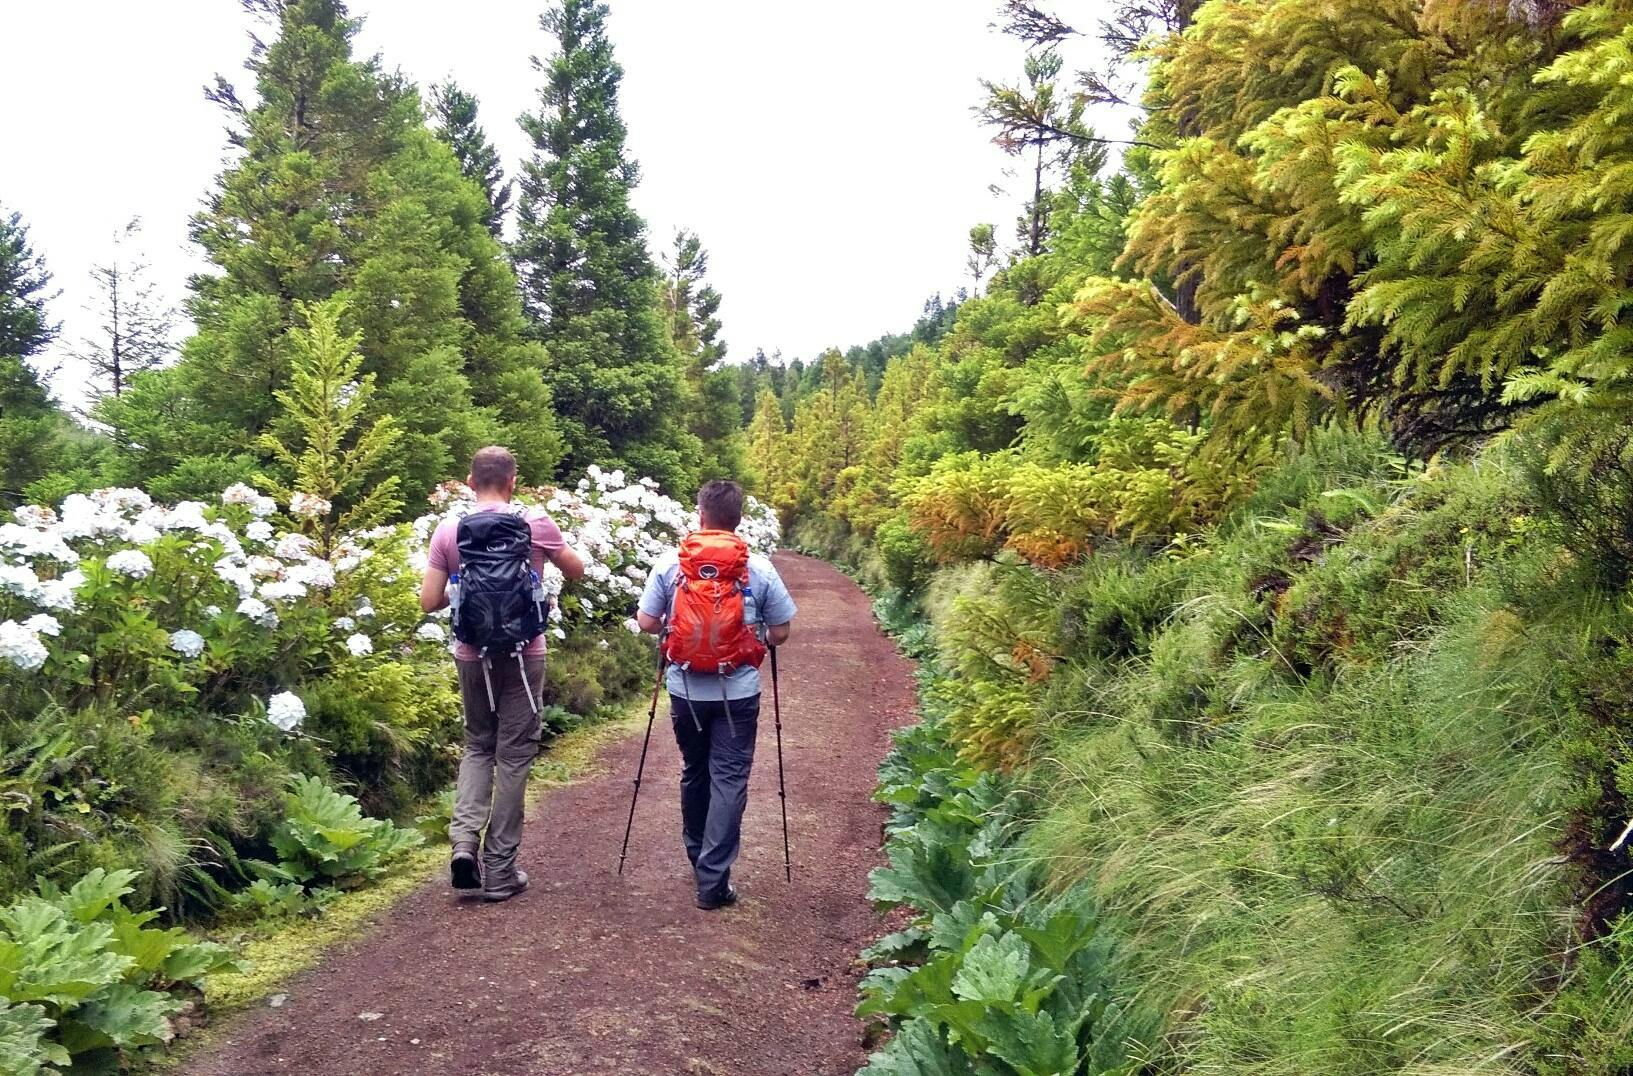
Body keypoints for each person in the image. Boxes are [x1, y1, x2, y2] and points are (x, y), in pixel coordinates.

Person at [420, 446, 584, 902]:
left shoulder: (448, 530)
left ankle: (464, 844)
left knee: (478, 746)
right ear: (513, 482)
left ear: (470, 482)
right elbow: (578, 570)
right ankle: (499, 871)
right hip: (523, 652)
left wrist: (466, 586)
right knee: (514, 756)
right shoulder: (535, 524)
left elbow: (428, 601)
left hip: (472, 655)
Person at [637, 479, 796, 910]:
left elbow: (648, 622)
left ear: (701, 515)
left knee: (695, 769)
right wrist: (753, 630)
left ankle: (696, 853)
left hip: (685, 689)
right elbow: (780, 632)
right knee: (729, 777)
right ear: (738, 519)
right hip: (738, 691)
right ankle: (713, 879)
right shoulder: (757, 567)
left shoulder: (673, 563)